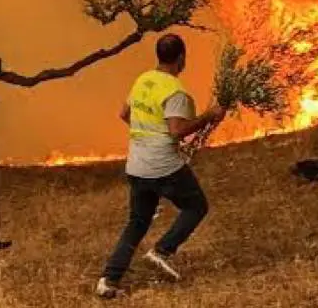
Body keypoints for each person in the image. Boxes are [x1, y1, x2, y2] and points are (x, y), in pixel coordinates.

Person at [95, 34, 224, 299]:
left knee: (137, 222)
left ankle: (108, 280)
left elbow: (124, 114)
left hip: (137, 165)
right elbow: (177, 130)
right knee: (196, 206)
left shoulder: (143, 80)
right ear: (181, 58)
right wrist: (210, 115)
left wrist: (148, 134)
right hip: (163, 166)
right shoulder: (174, 91)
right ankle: (162, 251)